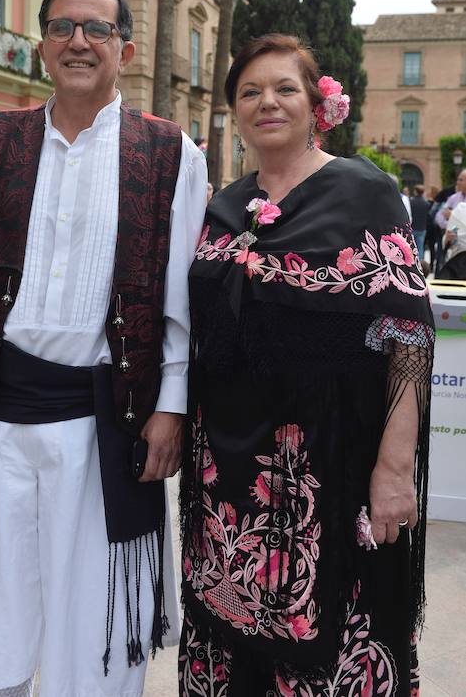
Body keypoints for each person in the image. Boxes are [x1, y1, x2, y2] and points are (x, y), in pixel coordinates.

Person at [0, 0, 207, 697]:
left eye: (97, 29)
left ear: (125, 49)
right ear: (41, 46)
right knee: (6, 579)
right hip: (0, 408)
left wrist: (171, 402)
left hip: (104, 416)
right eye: (61, 28)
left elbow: (178, 295)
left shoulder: (171, 153)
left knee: (96, 607)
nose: (78, 42)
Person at [179, 35, 434, 697]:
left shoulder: (362, 191)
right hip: (227, 472)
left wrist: (393, 468)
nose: (266, 102)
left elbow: (406, 335)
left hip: (331, 463)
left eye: (283, 88)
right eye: (249, 92)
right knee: (231, 632)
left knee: (328, 635)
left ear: (318, 102)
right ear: (234, 110)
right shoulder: (223, 204)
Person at [433, 173, 466, 276]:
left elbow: (454, 216)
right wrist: (447, 225)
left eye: (461, 180)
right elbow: (440, 215)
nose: (457, 182)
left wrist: (454, 216)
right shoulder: (453, 198)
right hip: (456, 255)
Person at [437, 200, 466, 280]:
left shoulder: (460, 210)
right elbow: (449, 236)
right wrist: (447, 239)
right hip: (458, 261)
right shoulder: (460, 210)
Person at [410, 184, 429, 261]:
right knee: (420, 247)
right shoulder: (426, 203)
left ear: (415, 192)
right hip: (422, 227)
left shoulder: (411, 202)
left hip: (413, 227)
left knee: (411, 247)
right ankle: (421, 263)